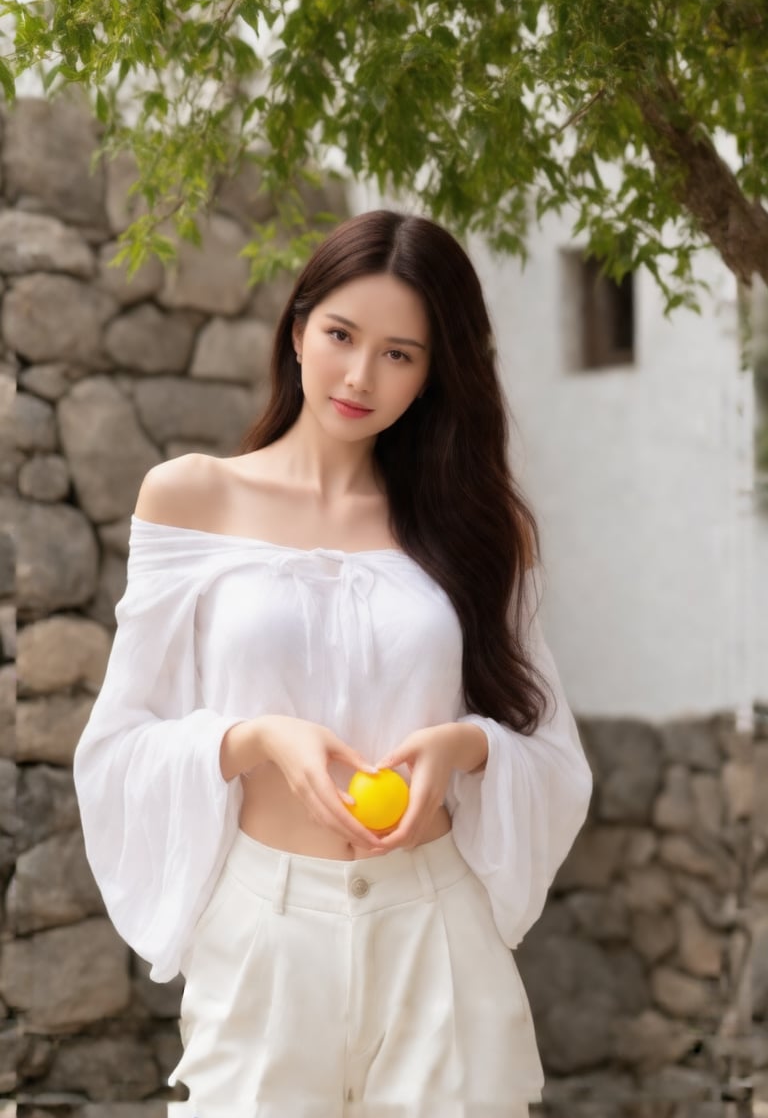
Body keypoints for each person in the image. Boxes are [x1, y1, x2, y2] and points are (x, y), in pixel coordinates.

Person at [73, 209, 593, 1118]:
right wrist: (257, 737)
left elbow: (547, 748)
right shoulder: (192, 498)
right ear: (298, 327)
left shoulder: (475, 529)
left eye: (401, 353)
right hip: (265, 934)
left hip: (437, 931)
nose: (360, 376)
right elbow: (117, 746)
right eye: (342, 335)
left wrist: (462, 749)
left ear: (435, 374)